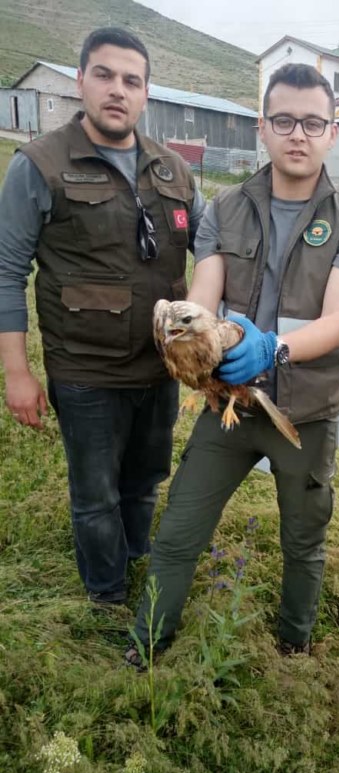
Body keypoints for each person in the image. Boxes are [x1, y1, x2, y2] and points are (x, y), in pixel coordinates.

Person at [129, 63, 339, 662]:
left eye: (313, 122)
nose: (299, 133)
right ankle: (146, 644)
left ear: (331, 133)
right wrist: (195, 329)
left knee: (303, 540)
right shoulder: (226, 208)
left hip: (306, 411)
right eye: (285, 120)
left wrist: (271, 347)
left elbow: (337, 320)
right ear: (262, 128)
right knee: (179, 530)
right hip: (230, 408)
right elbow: (205, 293)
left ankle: (293, 648)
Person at [0, 28, 204, 605]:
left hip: (160, 369)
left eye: (131, 80)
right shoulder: (40, 166)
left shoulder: (173, 171)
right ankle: (107, 597)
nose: (118, 90)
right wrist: (18, 374)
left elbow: (213, 252)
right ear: (81, 81)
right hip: (86, 371)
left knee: (144, 484)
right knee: (96, 496)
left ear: (146, 94)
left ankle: (134, 561)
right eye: (105, 76)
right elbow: (6, 273)